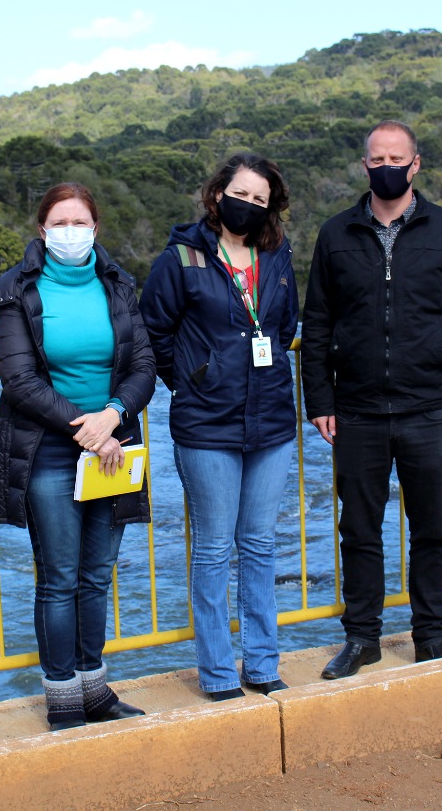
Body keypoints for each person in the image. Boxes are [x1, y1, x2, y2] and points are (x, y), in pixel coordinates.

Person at [301, 120, 442, 679]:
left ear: (415, 165)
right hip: (356, 411)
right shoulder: (336, 234)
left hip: (431, 406)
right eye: (375, 158)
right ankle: (363, 639)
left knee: (432, 527)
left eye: (396, 158)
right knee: (359, 530)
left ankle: (432, 634)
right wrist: (320, 398)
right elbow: (317, 324)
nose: (386, 166)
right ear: (365, 166)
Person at [0, 182, 155, 730]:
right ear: (42, 230)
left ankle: (94, 688)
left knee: (98, 574)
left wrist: (113, 416)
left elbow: (144, 366)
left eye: (80, 222)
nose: (71, 231)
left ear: (95, 229)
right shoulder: (17, 292)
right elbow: (20, 380)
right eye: (60, 222)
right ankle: (62, 699)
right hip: (48, 452)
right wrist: (91, 430)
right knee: (59, 576)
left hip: (112, 444)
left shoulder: (118, 285)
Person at [141, 154, 300, 701]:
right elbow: (154, 332)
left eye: (260, 200)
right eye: (241, 194)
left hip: (273, 420)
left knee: (259, 544)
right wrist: (192, 381)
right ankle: (217, 673)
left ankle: (262, 664)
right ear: (216, 195)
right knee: (213, 548)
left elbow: (284, 325)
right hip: (206, 424)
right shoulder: (181, 259)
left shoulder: (277, 256)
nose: (248, 206)